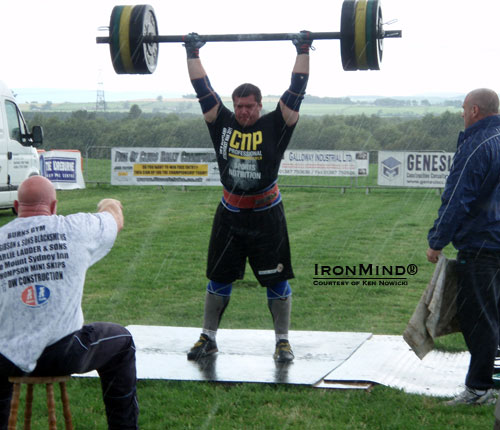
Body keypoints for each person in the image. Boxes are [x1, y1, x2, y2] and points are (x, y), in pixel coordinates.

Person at [183, 32, 312, 362]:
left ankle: (282, 341)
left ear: (260, 105)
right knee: (218, 276)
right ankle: (208, 337)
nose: (242, 112)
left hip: (267, 217)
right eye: (239, 106)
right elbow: (203, 88)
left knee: (276, 278)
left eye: (249, 107)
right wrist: (192, 50)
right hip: (229, 215)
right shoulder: (221, 122)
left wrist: (302, 48)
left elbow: (297, 89)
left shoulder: (276, 125)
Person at [0, 176, 138, 429]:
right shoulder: (75, 228)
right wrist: (109, 201)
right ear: (54, 207)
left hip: (6, 357)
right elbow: (115, 219)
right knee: (121, 342)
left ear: (17, 207)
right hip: (64, 353)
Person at [427, 88, 500, 406]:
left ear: (474, 111)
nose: (461, 114)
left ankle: (479, 390)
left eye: (462, 109)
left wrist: (437, 241)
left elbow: (458, 197)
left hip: (482, 244)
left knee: (478, 318)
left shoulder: (476, 144)